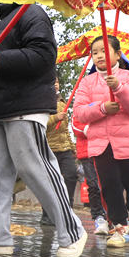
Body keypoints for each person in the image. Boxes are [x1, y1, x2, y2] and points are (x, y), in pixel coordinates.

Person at [0, 3, 87, 257]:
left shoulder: (31, 12)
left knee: (36, 166)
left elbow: (44, 55)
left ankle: (73, 232)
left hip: (26, 104)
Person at [73, 34, 129, 248]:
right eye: (94, 52)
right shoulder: (87, 82)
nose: (98, 56)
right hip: (101, 145)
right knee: (110, 187)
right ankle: (119, 228)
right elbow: (79, 112)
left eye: (104, 51)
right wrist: (102, 108)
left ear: (117, 53)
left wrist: (119, 88)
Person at [41, 80, 78, 226]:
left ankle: (67, 210)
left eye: (57, 82)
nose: (55, 84)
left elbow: (65, 129)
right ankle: (47, 214)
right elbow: (41, 123)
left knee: (71, 175)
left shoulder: (63, 103)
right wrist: (55, 118)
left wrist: (72, 146)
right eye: (52, 82)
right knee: (49, 181)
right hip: (49, 147)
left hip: (65, 148)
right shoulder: (42, 101)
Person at [72, 116, 109, 234]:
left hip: (104, 150)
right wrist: (90, 130)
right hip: (87, 152)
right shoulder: (81, 104)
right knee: (93, 185)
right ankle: (99, 217)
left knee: (108, 184)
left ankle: (111, 216)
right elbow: (75, 126)